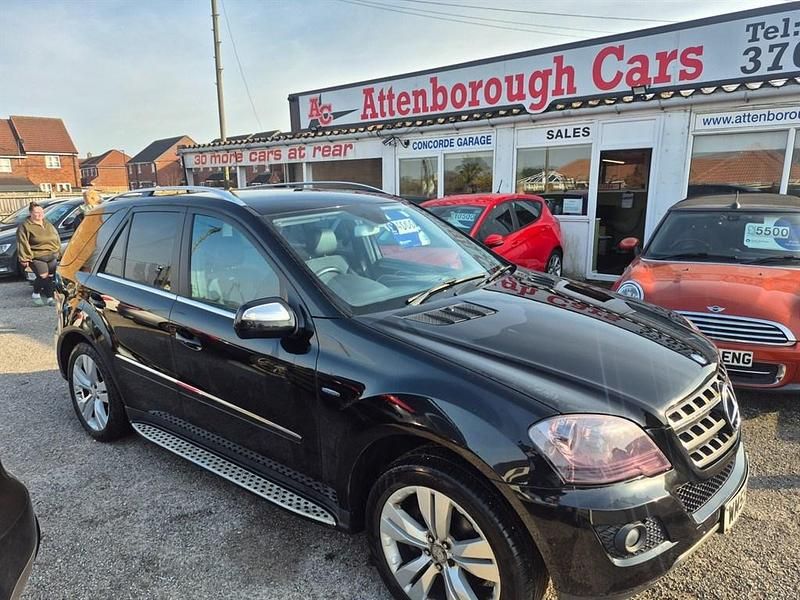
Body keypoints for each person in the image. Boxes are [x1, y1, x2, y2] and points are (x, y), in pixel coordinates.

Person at [16, 202, 61, 306]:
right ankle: (36, 294)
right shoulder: (25, 226)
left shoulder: (47, 223)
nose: (40, 214)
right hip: (37, 256)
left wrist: (58, 251)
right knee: (43, 276)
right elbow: (22, 242)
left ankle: (50, 298)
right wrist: (24, 258)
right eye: (37, 212)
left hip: (51, 254)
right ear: (31, 213)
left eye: (41, 212)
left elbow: (56, 237)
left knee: (50, 277)